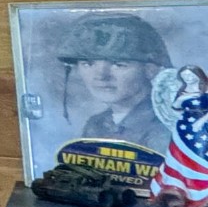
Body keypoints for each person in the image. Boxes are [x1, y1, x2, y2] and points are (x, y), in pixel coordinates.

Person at [59, 13, 172, 151]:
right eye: (88, 64)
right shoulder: (97, 125)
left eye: (118, 64)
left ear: (150, 70)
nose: (101, 76)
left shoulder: (165, 128)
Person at [148, 66, 208, 207]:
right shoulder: (183, 91)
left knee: (199, 158)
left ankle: (199, 193)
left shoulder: (205, 90)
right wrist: (182, 97)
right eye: (185, 76)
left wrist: (201, 122)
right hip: (182, 127)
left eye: (191, 76)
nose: (188, 78)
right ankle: (178, 188)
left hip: (200, 129)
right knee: (177, 156)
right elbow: (175, 106)